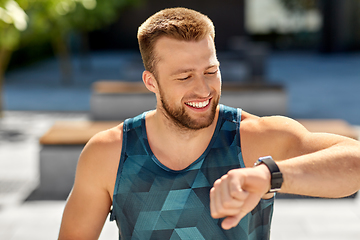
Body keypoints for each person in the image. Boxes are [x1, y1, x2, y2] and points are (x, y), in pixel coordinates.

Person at [58, 7, 360, 240]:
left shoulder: (254, 139)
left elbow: (354, 162)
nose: (203, 90)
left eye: (210, 71)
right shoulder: (108, 153)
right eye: (184, 76)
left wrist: (270, 175)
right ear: (151, 82)